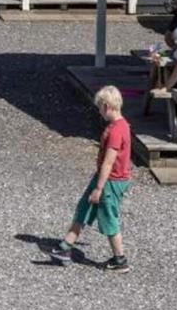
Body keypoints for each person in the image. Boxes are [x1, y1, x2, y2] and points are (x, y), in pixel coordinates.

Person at [47, 86, 132, 272]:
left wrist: (99, 188)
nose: (99, 111)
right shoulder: (121, 125)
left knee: (108, 217)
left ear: (107, 106)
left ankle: (120, 260)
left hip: (110, 181)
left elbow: (109, 162)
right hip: (103, 177)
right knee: (84, 207)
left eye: (100, 107)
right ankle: (65, 246)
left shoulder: (117, 131)